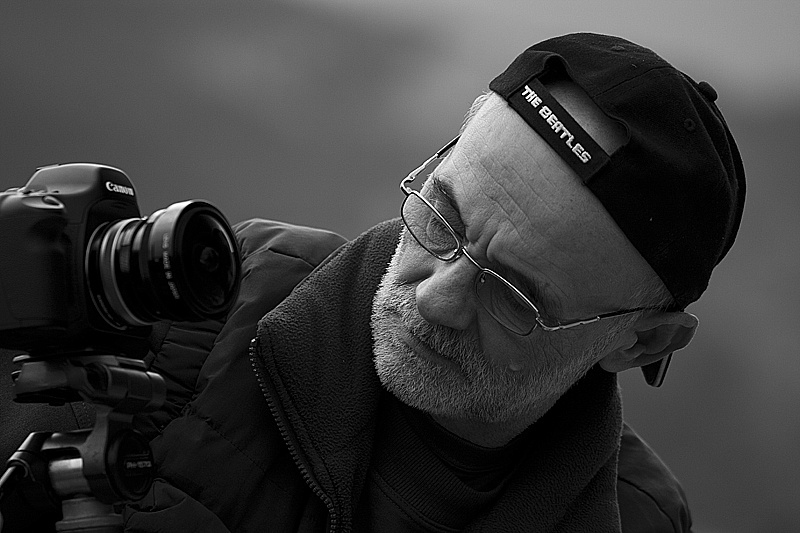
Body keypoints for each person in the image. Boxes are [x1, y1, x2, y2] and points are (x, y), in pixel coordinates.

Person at [0, 32, 744, 532]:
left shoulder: (640, 517)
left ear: (640, 341)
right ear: (435, 161)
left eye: (514, 295)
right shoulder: (170, 319)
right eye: (441, 217)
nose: (435, 298)